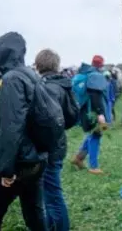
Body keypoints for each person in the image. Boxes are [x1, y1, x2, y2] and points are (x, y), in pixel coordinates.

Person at [0, 32, 48, 231]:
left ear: (3, 54)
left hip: (20, 162)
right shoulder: (30, 74)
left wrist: (6, 169)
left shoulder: (11, 79)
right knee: (34, 215)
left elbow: (11, 127)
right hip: (36, 158)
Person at [35, 49, 79, 231]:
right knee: (50, 193)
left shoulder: (47, 87)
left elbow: (46, 121)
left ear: (38, 66)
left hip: (48, 148)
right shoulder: (63, 85)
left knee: (52, 195)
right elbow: (71, 117)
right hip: (58, 144)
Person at [71, 55, 109, 175]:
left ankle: (78, 158)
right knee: (96, 136)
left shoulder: (86, 75)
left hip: (85, 112)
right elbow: (95, 96)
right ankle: (94, 166)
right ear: (101, 65)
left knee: (91, 135)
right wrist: (100, 113)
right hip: (93, 113)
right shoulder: (96, 76)